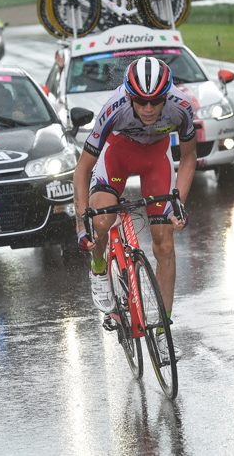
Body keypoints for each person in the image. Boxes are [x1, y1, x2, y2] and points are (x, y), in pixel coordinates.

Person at [73, 57, 197, 363]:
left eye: (156, 101)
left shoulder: (181, 107)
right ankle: (100, 268)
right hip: (118, 155)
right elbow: (82, 170)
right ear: (129, 96)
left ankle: (163, 332)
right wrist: (81, 225)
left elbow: (190, 156)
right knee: (101, 220)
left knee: (164, 243)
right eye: (141, 101)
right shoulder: (114, 108)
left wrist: (178, 202)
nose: (149, 108)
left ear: (167, 95)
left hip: (155, 159)